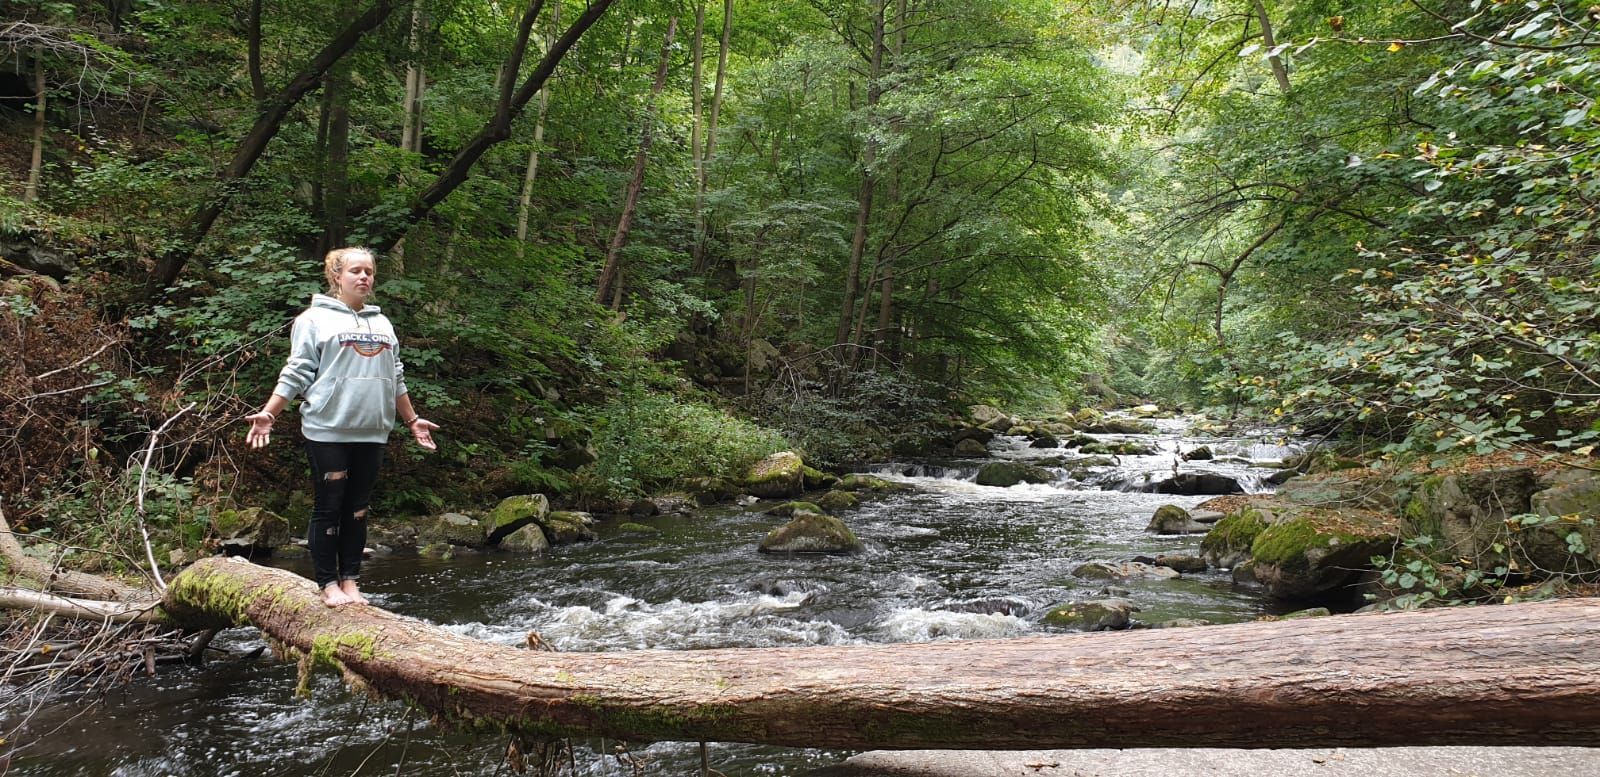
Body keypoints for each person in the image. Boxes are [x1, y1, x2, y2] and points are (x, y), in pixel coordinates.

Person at [245, 247, 439, 607]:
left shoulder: (382, 324)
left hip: (372, 431)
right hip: (328, 429)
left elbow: (395, 376)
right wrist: (271, 413)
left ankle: (350, 581)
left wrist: (412, 421)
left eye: (369, 271)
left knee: (358, 508)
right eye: (355, 271)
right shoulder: (313, 319)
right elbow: (297, 370)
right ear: (336, 276)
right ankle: (327, 584)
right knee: (329, 506)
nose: (364, 277)